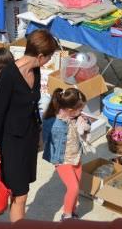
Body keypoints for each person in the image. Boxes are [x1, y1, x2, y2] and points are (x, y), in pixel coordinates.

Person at [0, 29, 58, 222]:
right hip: (11, 143)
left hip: (28, 138)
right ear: (41, 55)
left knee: (20, 190)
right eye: (49, 57)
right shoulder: (8, 76)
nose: (49, 61)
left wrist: (39, 133)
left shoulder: (35, 69)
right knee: (21, 194)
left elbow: (32, 104)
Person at [41, 88, 91, 221]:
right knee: (73, 187)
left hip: (76, 157)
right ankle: (67, 215)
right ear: (70, 110)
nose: (81, 112)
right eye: (80, 110)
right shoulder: (55, 122)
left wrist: (85, 121)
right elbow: (46, 139)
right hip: (63, 160)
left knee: (76, 187)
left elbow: (84, 129)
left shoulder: (75, 116)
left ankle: (73, 212)